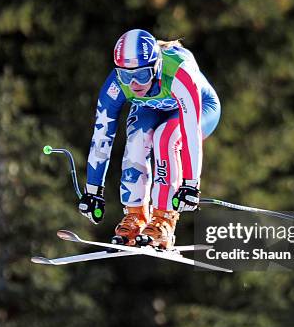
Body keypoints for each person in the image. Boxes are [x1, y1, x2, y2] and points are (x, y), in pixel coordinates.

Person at [78, 29, 221, 249]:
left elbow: (190, 130)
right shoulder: (116, 85)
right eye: (126, 76)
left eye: (142, 75)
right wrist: (93, 191)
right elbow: (101, 136)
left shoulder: (179, 73)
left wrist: (191, 184)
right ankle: (135, 216)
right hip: (151, 107)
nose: (134, 83)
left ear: (156, 67)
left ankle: (164, 219)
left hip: (199, 108)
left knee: (166, 137)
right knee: (136, 137)